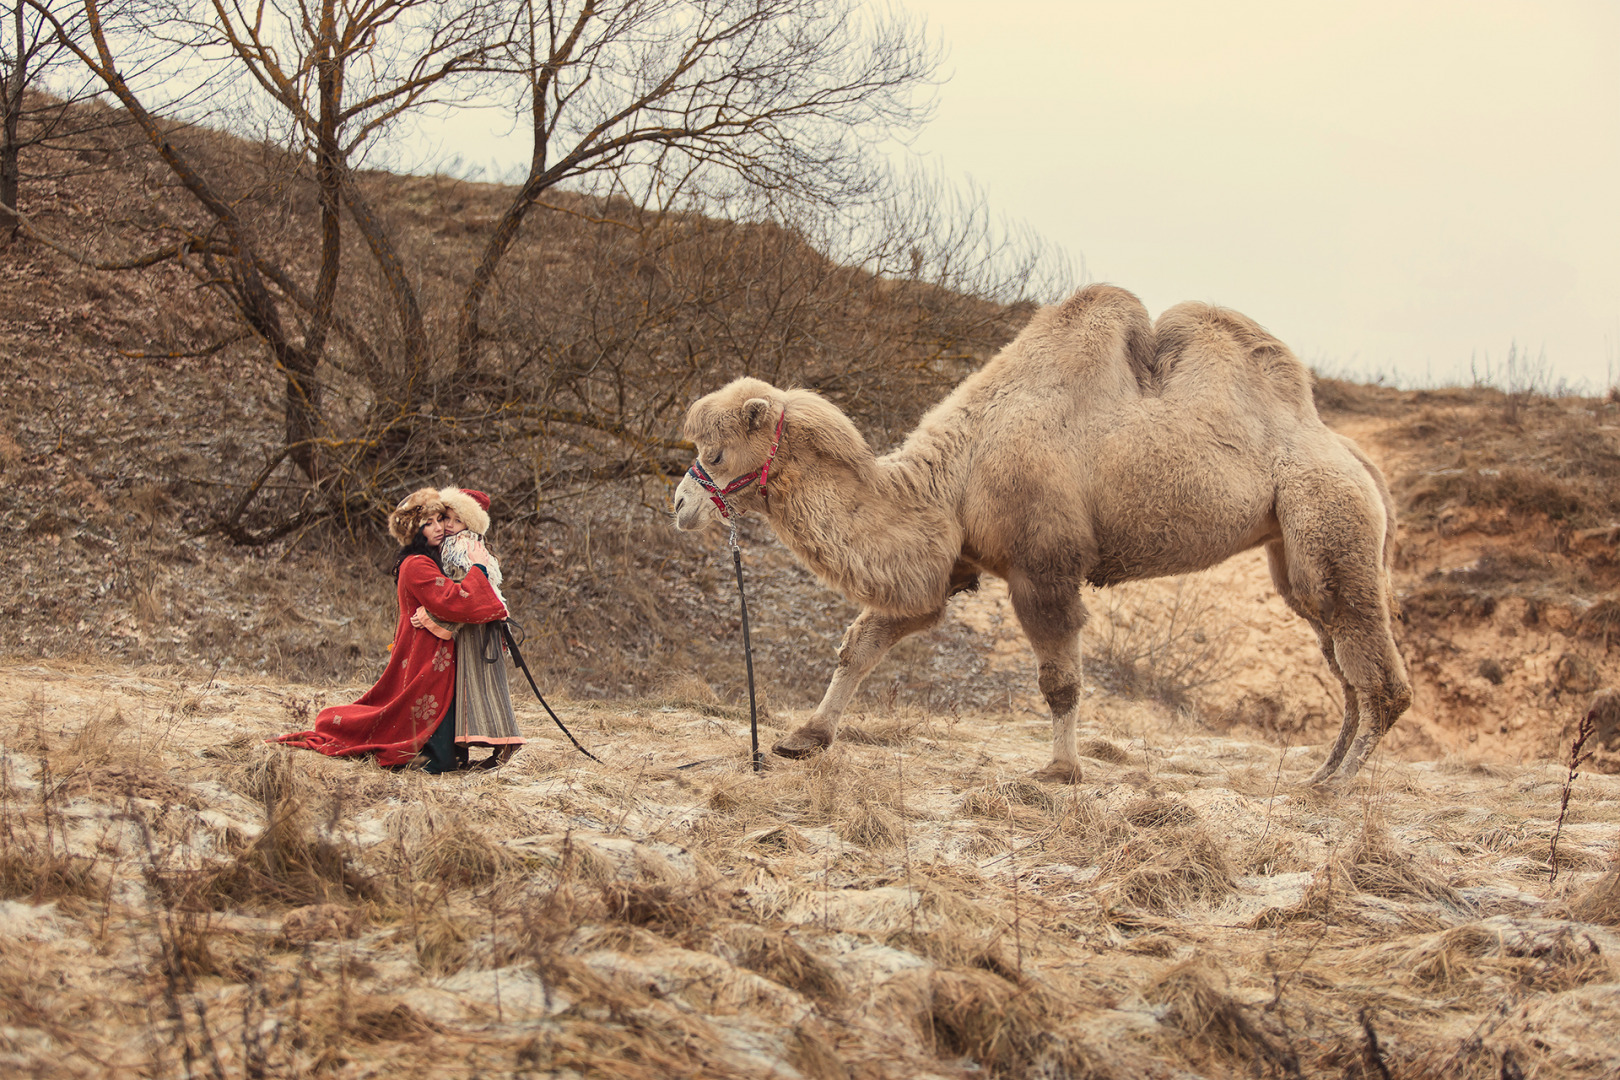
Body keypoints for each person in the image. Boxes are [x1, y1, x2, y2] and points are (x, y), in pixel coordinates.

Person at [272, 488, 508, 773]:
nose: (440, 527)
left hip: (438, 658)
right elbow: (454, 601)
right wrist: (479, 570)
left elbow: (448, 601)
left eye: (440, 519)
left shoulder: (436, 559)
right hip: (425, 657)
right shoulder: (416, 564)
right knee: (434, 755)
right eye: (429, 522)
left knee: (448, 754)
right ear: (414, 530)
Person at [410, 487, 525, 768]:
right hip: (481, 623)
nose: (447, 525)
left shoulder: (460, 546)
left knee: (475, 686)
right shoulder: (473, 542)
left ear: (469, 523)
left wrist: (431, 618)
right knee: (480, 687)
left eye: (456, 520)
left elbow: (463, 593)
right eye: (446, 517)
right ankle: (484, 748)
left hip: (473, 627)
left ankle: (502, 746)